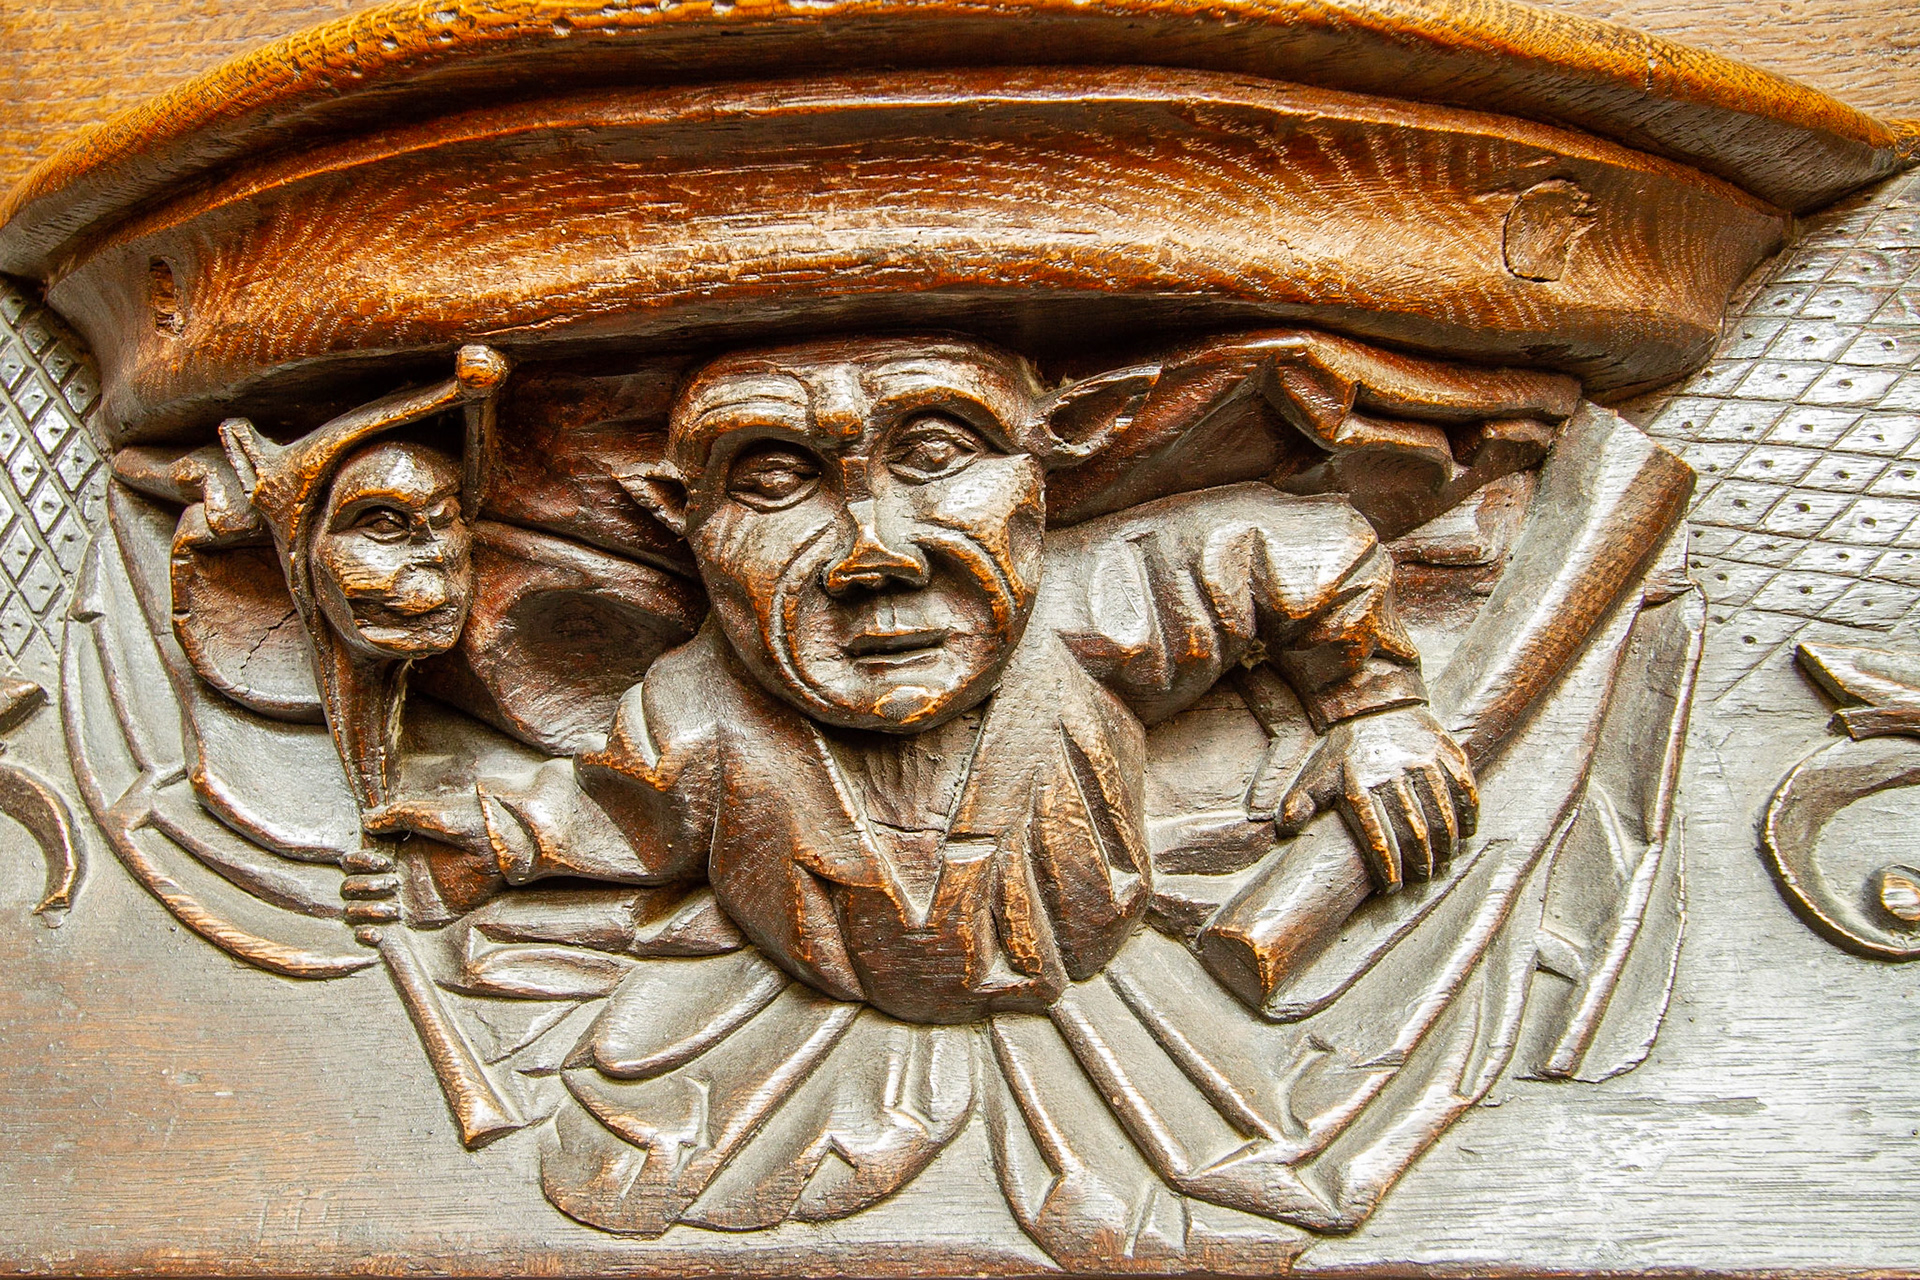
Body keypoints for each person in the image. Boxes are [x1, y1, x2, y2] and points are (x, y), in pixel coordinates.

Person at [369, 334, 1476, 1024]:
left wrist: (1377, 709)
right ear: (688, 528)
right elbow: (627, 810)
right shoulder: (695, 699)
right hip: (795, 1038)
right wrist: (492, 841)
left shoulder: (1096, 601)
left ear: (1040, 488)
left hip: (1148, 1006)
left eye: (936, 459)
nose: (873, 550)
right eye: (774, 482)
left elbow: (1301, 546)